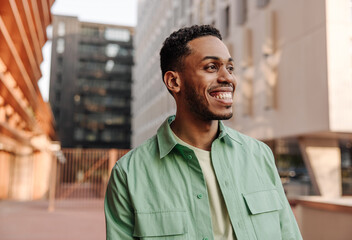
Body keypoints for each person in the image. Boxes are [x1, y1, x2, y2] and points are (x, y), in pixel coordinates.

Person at [104, 25, 302, 240]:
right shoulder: (129, 174)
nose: (228, 78)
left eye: (230, 68)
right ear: (174, 81)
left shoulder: (259, 156)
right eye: (211, 67)